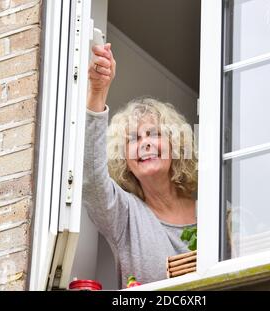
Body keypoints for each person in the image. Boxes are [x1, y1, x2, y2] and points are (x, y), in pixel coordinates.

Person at [84, 43, 198, 289]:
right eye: (133, 139)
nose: (144, 143)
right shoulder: (125, 214)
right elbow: (91, 180)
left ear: (175, 145)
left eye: (153, 134)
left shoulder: (216, 213)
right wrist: (97, 91)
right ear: (125, 160)